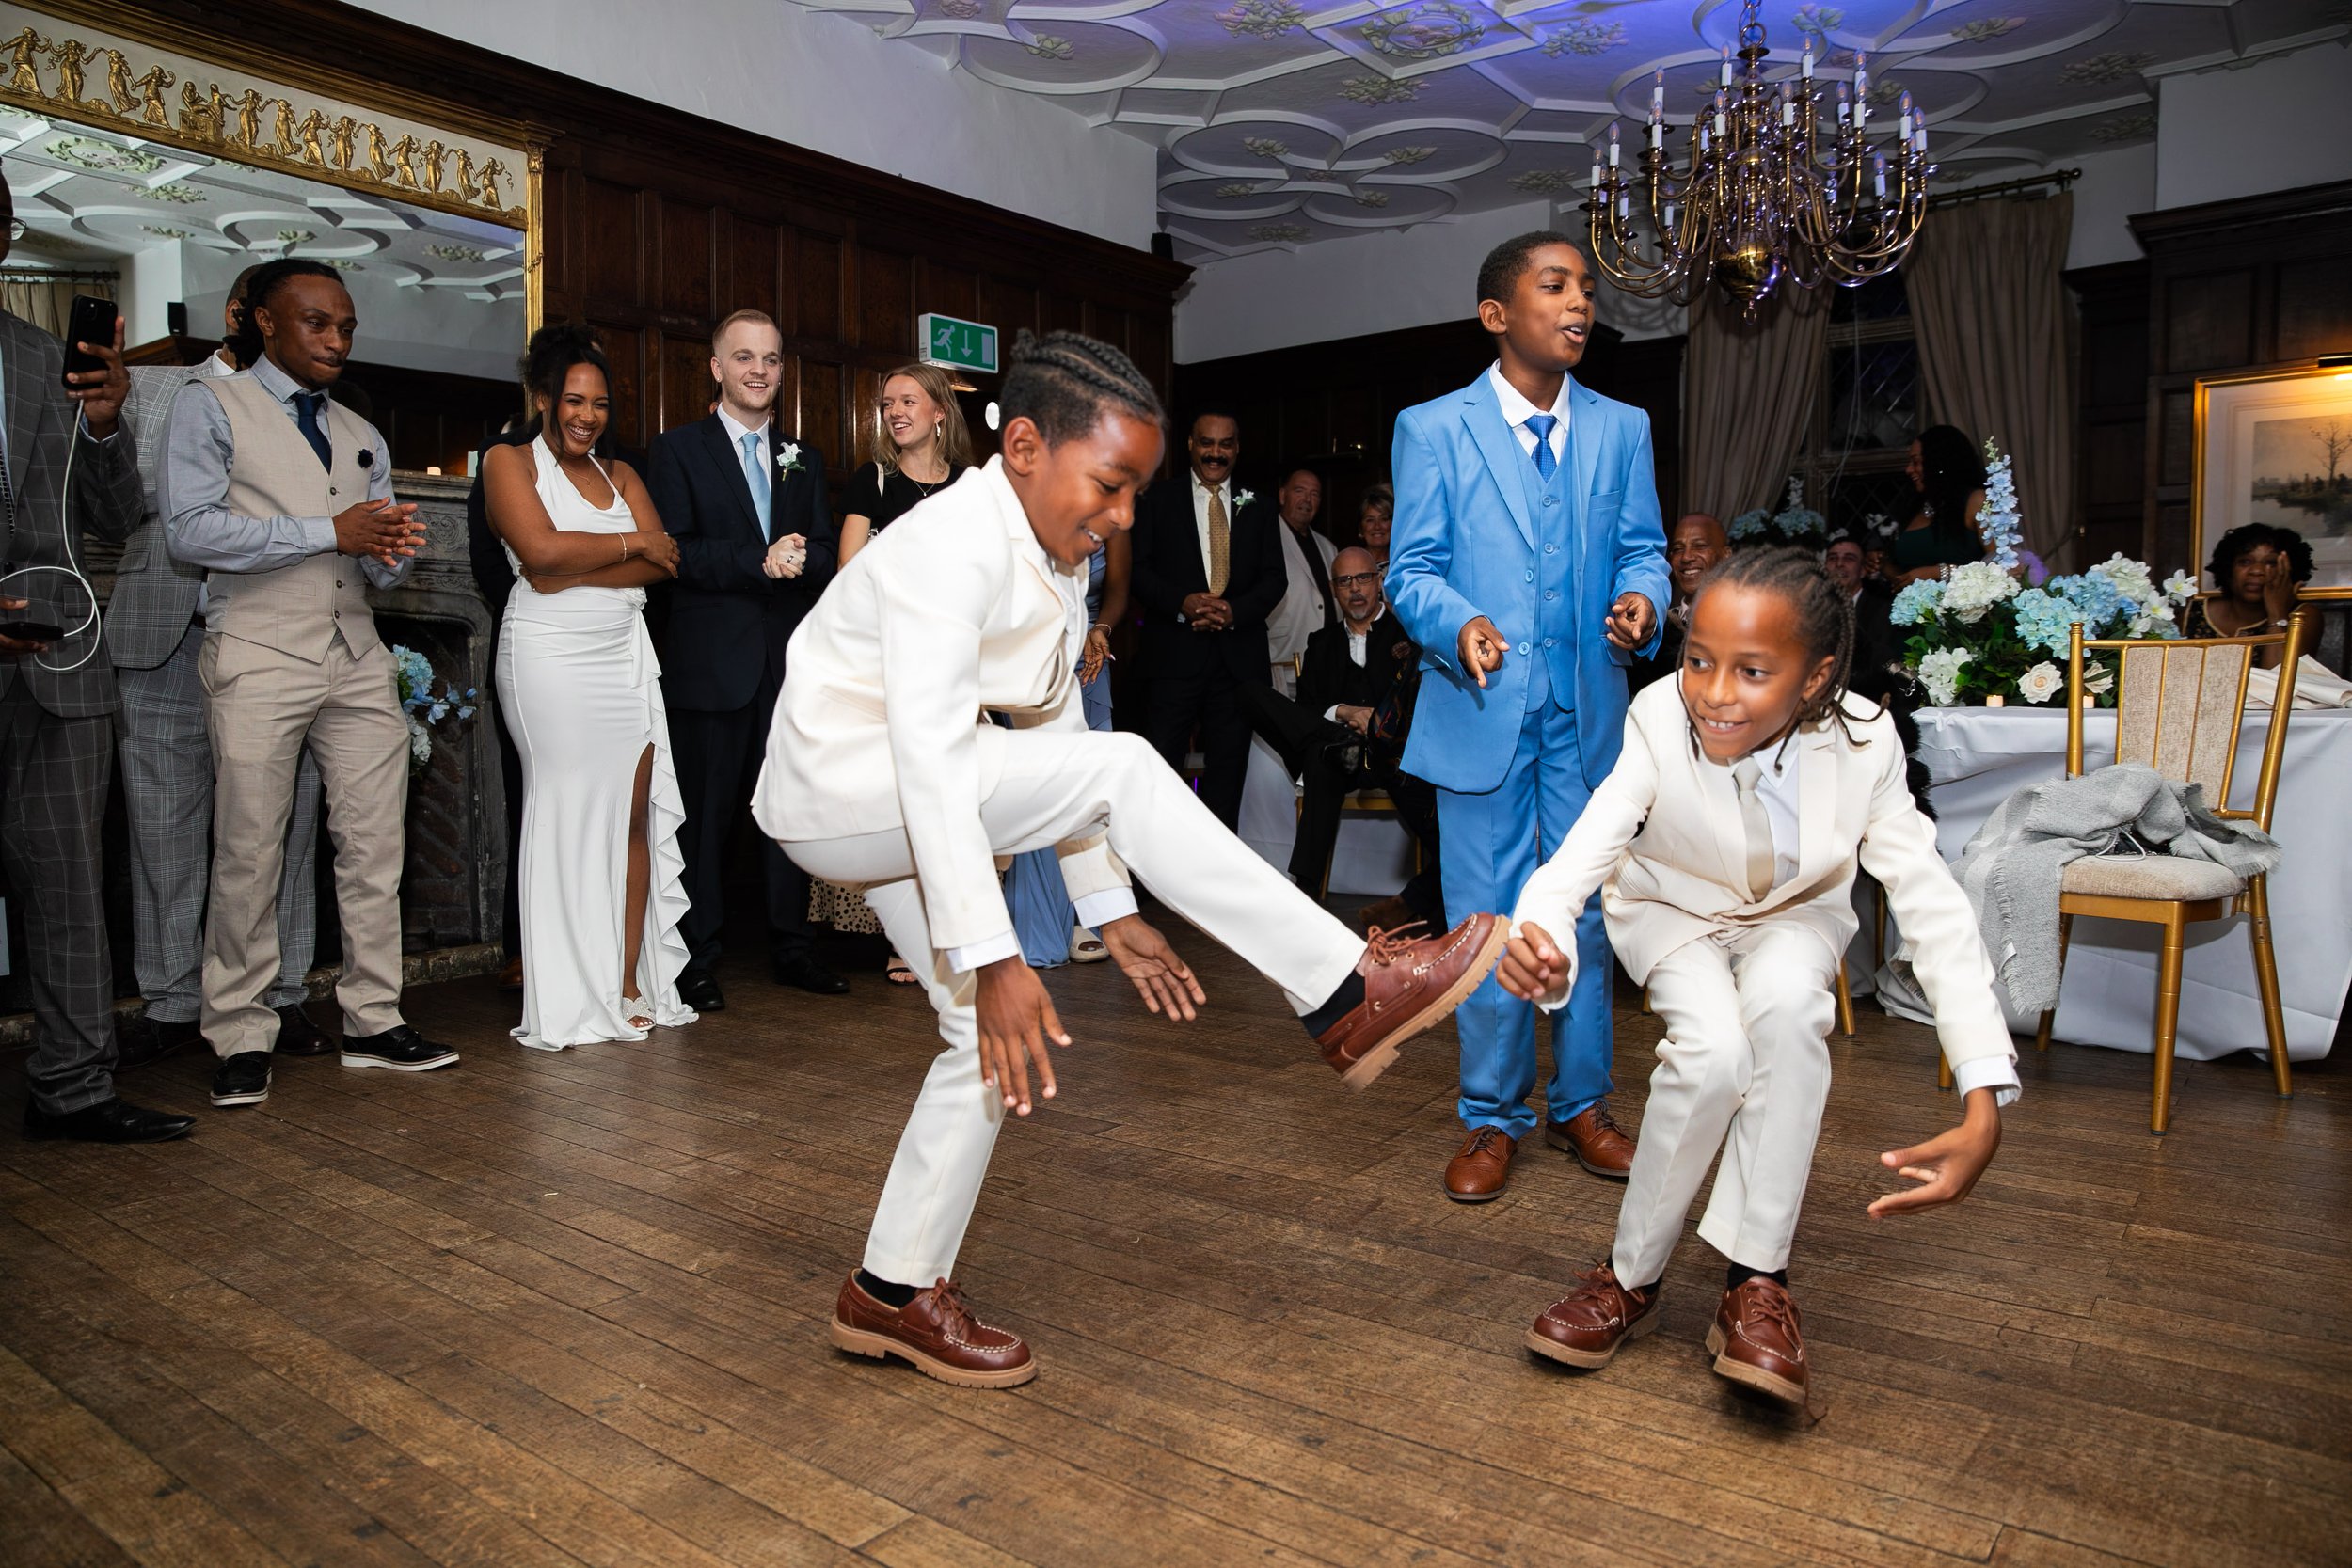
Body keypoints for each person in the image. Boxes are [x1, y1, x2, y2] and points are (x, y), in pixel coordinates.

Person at [754, 329, 1506, 1389]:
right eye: (1109, 486)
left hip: (904, 797)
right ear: (1024, 447)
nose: (1119, 516)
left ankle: (890, 1289)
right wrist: (999, 954)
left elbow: (1050, 730)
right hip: (840, 787)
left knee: (975, 1040)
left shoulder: (1052, 556)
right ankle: (1345, 987)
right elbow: (934, 763)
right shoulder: (944, 546)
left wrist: (1109, 908)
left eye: (1135, 496)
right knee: (1131, 764)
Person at [1502, 547, 2017, 1408]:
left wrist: (1983, 1092)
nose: (1713, 692)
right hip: (1673, 908)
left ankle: (1756, 1281)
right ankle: (1630, 1277)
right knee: (1711, 1054)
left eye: (1751, 670)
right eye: (1698, 659)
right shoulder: (1658, 715)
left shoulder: (1866, 740)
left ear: (1814, 678)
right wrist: (1541, 934)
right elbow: (1584, 850)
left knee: (1786, 1013)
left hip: (1794, 912)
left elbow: (1931, 902)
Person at [1387, 230, 1669, 1204]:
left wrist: (1643, 602)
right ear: (1497, 314)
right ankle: (1490, 1114)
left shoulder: (1623, 427)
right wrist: (1456, 621)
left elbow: (1644, 550)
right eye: (1556, 286)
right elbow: (1411, 571)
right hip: (1479, 716)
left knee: (1583, 912)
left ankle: (1582, 1105)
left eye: (1586, 287)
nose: (1580, 302)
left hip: (1588, 715)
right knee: (1488, 920)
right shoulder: (1432, 427)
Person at [161, 257, 460, 1109]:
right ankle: (239, 1031)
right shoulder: (209, 403)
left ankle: (373, 1018)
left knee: (375, 843)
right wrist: (330, 530)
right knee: (249, 847)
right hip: (259, 646)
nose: (336, 340)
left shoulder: (361, 429)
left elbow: (377, 563)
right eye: (317, 323)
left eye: (346, 327)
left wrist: (390, 552)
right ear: (264, 322)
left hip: (356, 650)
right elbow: (191, 531)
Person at [113, 266, 332, 1068]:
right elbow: (116, 499)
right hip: (165, 634)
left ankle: (279, 992)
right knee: (163, 831)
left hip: (276, 642)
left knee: (282, 827)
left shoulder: (318, 411)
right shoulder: (150, 390)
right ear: (247, 315)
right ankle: (172, 1001)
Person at [2, 202, 188, 1143]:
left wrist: (109, 424)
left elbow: (115, 519)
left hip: (58, 662)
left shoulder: (47, 360)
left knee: (71, 889)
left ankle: (72, 1087)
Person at [483, 325, 694, 1048]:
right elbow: (538, 553)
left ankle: (626, 980)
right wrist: (631, 544)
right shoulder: (508, 461)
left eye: (600, 403)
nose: (588, 416)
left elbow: (663, 564)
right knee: (565, 809)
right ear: (544, 398)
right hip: (547, 658)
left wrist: (579, 562)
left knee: (631, 818)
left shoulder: (623, 475)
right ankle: (566, 986)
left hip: (622, 658)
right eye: (574, 400)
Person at [646, 309, 847, 1010]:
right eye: (744, 357)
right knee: (704, 821)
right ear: (716, 367)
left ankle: (793, 947)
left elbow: (827, 550)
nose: (758, 370)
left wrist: (801, 557)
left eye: (770, 358)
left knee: (789, 809)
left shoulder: (804, 457)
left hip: (786, 666)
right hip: (711, 666)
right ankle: (695, 959)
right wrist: (758, 560)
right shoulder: (677, 451)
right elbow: (674, 551)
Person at [832, 363, 977, 983]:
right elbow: (848, 574)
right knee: (900, 803)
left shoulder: (969, 486)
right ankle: (907, 937)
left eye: (908, 401)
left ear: (940, 411)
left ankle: (956, 934)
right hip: (889, 662)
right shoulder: (873, 480)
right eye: (888, 402)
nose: (895, 411)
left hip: (955, 664)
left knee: (951, 804)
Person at [1240, 546, 1441, 924]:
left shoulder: (1408, 635)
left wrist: (1378, 722)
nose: (1355, 588)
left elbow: (1422, 705)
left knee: (1320, 757)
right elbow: (1306, 709)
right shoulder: (1321, 643)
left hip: (1391, 758)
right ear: (1334, 590)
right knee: (1255, 698)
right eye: (1345, 581)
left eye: (1363, 578)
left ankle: (1305, 889)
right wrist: (1344, 713)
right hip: (1338, 756)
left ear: (1379, 582)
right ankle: (1338, 745)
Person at [1130, 405, 1281, 828]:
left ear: (1237, 448)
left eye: (1225, 444)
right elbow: (1136, 571)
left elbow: (1275, 579)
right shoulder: (1156, 500)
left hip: (1237, 664)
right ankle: (1157, 861)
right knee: (1161, 771)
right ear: (1191, 445)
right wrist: (1181, 602)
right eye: (1207, 443)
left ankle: (1216, 865)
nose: (1216, 453)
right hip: (1173, 660)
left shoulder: (1260, 505)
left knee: (1227, 780)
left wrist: (1233, 611)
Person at [1003, 485, 1132, 970]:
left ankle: (1089, 917)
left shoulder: (1112, 510)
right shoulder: (1019, 501)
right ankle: (1039, 917)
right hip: (1031, 659)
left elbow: (1117, 588)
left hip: (1089, 658)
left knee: (1089, 790)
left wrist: (1101, 629)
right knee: (1037, 787)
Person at [464, 411, 535, 992]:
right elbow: (488, 561)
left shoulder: (622, 464)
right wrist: (545, 618)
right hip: (530, 649)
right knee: (528, 803)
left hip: (608, 655)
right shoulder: (502, 455)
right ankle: (522, 947)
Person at [2185, 522, 2312, 671]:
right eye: (2245, 562)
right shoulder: (2195, 612)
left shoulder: (2303, 615)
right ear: (2228, 568)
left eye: (2271, 563)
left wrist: (2277, 615)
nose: (2257, 571)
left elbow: (2278, 681)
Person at [1629, 512, 1727, 691]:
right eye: (1678, 549)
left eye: (1700, 546)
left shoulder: (1743, 624)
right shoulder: (1657, 625)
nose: (1686, 557)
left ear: (1726, 555)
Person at [1263, 466, 1336, 697]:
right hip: (1283, 655)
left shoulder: (1328, 547)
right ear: (1282, 495)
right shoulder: (1264, 537)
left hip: (1326, 662)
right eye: (1300, 491)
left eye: (1314, 494)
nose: (1307, 499)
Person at [1887, 425, 1987, 587]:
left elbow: (2003, 569)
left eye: (1916, 462)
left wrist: (1938, 572)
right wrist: (1883, 566)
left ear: (1939, 462)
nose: (1909, 469)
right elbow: (1907, 577)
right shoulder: (1914, 507)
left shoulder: (1976, 501)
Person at [1824, 531, 1899, 698]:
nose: (1839, 564)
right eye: (1833, 558)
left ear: (1863, 570)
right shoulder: (1809, 609)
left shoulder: (1883, 611)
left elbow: (1882, 662)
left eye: (1849, 558)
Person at [1358, 483, 1394, 565]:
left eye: (1384, 519)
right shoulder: (1352, 563)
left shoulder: (1403, 563)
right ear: (1361, 527)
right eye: (1370, 520)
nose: (1377, 526)